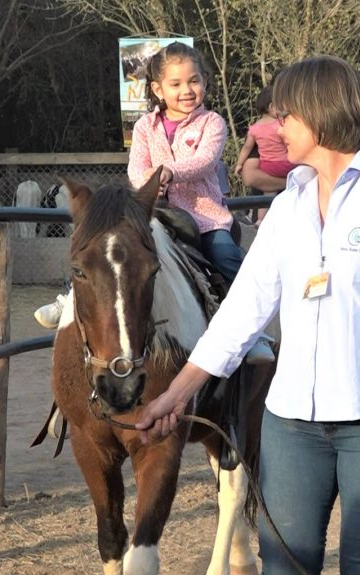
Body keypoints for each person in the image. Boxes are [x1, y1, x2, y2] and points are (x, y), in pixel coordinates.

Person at [135, 55, 360, 575]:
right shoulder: (287, 208)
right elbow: (241, 313)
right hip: (291, 423)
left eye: (284, 115)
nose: (273, 128)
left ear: (319, 115)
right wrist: (176, 394)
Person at [33, 42, 274, 363]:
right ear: (158, 89)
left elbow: (205, 161)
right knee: (104, 249)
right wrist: (146, 186)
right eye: (176, 84)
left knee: (229, 259)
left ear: (205, 82)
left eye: (194, 81)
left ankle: (251, 332)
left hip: (203, 219)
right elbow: (136, 167)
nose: (187, 90)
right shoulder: (145, 126)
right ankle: (68, 298)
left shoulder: (212, 123)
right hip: (153, 213)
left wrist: (167, 172)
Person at [234, 85, 294, 191]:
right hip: (285, 165)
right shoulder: (280, 124)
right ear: (271, 107)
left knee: (267, 190)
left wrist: (239, 164)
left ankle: (262, 206)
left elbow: (247, 147)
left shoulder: (254, 128)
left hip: (267, 167)